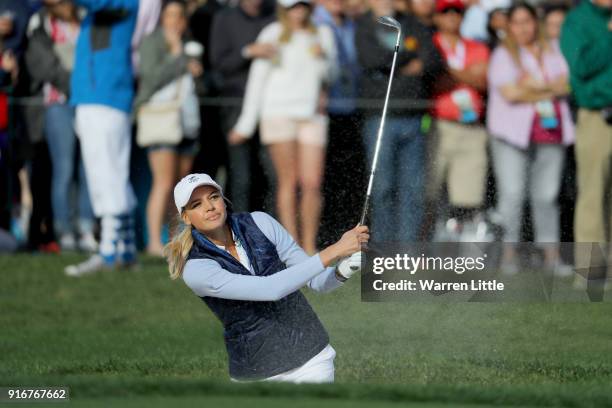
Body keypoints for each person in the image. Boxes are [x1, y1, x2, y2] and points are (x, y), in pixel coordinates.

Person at [164, 173, 367, 383]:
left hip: (312, 357)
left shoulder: (260, 222)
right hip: (256, 374)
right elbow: (270, 289)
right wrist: (335, 249)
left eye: (214, 197)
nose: (209, 206)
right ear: (186, 217)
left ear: (223, 200)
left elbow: (318, 282)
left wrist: (344, 268)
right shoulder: (196, 268)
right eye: (197, 204)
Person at [230, 0, 337, 255]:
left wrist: (324, 59)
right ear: (284, 9)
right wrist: (246, 124)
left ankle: (310, 244)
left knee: (312, 183)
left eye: (302, 6)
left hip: (312, 115)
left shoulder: (323, 33)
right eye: (292, 6)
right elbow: (258, 79)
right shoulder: (272, 33)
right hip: (277, 113)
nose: (297, 11)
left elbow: (332, 76)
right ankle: (293, 246)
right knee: (287, 182)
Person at [487, 2, 574, 274]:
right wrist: (549, 88)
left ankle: (551, 257)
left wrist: (533, 86)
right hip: (511, 135)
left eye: (528, 21)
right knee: (512, 195)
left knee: (546, 196)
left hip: (550, 132)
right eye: (517, 22)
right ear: (509, 26)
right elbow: (511, 93)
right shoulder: (502, 55)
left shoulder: (554, 50)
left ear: (536, 22)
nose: (523, 27)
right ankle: (508, 256)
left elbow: (568, 84)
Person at [356, 0, 442, 242]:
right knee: (382, 188)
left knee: (413, 190)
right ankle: (384, 246)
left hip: (413, 118)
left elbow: (433, 59)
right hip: (380, 118)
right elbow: (372, 59)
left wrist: (397, 62)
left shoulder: (412, 23)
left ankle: (407, 248)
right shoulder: (364, 26)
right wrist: (407, 57)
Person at [65, 0, 139, 276]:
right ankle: (126, 250)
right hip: (95, 98)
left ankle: (108, 253)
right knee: (111, 174)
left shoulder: (123, 3)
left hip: (104, 99)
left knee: (105, 174)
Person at [25, 0, 97, 253]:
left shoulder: (88, 17)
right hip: (58, 103)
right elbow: (43, 65)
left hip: (88, 101)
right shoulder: (42, 23)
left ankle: (86, 227)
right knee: (64, 168)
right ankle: (64, 229)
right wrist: (76, 85)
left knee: (88, 167)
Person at [135, 0, 203, 257]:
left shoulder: (189, 43)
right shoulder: (152, 42)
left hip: (186, 122)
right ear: (162, 18)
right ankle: (153, 240)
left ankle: (176, 241)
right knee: (163, 183)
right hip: (161, 120)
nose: (176, 21)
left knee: (180, 187)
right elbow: (150, 79)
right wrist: (177, 56)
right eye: (171, 15)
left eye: (180, 16)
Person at [560, 0, 612, 282]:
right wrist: (608, 35)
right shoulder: (577, 21)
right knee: (593, 194)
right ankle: (591, 271)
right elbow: (581, 65)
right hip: (598, 117)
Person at [428, 0, 490, 238]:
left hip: (471, 127)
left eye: (457, 12)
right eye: (446, 12)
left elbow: (483, 81)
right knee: (430, 194)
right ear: (437, 17)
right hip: (439, 126)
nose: (452, 17)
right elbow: (432, 80)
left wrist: (449, 72)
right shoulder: (432, 44)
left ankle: (461, 252)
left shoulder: (476, 46)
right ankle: (425, 248)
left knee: (469, 196)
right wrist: (468, 74)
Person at [209, 0, 275, 212]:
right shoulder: (224, 18)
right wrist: (248, 52)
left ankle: (272, 233)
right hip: (235, 106)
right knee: (241, 177)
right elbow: (218, 63)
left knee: (272, 177)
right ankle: (238, 233)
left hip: (271, 107)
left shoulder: (274, 17)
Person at [312, 0, 365, 248]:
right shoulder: (315, 23)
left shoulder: (352, 24)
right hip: (323, 111)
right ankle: (324, 234)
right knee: (324, 177)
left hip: (351, 108)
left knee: (347, 177)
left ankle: (342, 234)